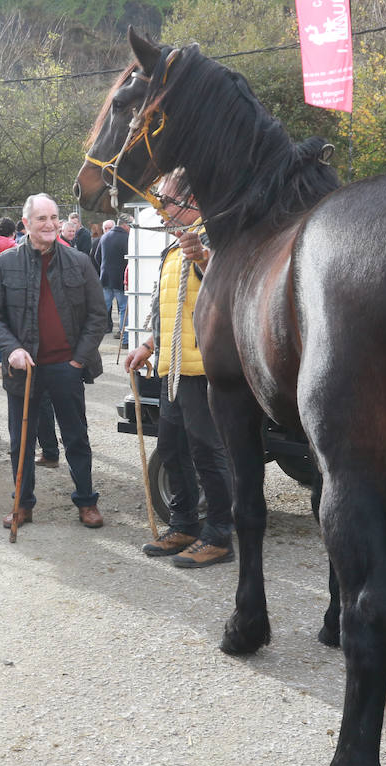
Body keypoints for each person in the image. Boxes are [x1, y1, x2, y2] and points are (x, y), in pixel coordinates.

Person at [0, 192, 109, 529]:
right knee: (20, 443)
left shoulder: (80, 261)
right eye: (42, 218)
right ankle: (22, 505)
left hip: (67, 367)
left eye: (54, 217)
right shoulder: (5, 263)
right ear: (26, 223)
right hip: (23, 368)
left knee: (76, 438)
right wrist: (11, 349)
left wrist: (78, 362)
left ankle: (86, 501)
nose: (50, 224)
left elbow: (98, 316)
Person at [124, 208, 235, 568]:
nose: (160, 210)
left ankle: (219, 536)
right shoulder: (170, 250)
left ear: (190, 203)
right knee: (171, 450)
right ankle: (185, 524)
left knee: (207, 454)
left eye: (167, 203)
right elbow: (167, 309)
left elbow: (225, 286)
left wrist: (202, 256)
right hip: (172, 368)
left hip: (202, 368)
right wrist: (148, 346)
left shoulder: (216, 238)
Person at [96, 214, 131, 342]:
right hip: (120, 279)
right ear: (125, 225)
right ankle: (125, 339)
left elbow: (97, 256)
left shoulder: (104, 236)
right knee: (123, 309)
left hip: (105, 278)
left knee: (102, 309)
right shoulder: (127, 238)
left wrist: (104, 268)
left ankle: (93, 335)